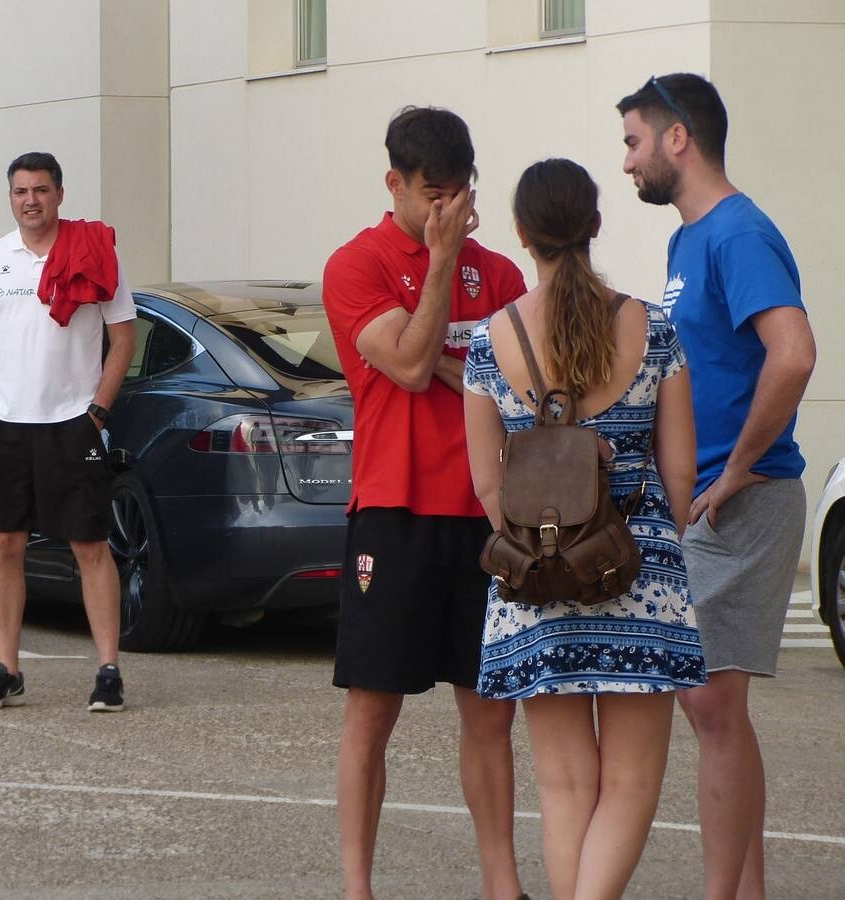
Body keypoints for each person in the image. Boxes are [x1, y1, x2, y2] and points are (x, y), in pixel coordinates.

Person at [463, 158, 707, 900]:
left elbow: (487, 484)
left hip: (535, 582)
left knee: (565, 788)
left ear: (522, 236)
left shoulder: (488, 340)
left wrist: (546, 548)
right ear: (596, 226)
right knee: (630, 785)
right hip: (640, 576)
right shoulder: (652, 328)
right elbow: (680, 476)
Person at [617, 74, 816, 899]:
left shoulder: (738, 234)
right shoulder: (686, 241)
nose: (625, 162)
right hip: (703, 496)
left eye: (632, 141)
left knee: (708, 704)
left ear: (677, 139)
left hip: (747, 496)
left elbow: (794, 354)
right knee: (715, 707)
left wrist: (734, 470)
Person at [323, 106, 529, 900]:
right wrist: (442, 278)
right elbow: (410, 367)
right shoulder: (357, 264)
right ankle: (357, 887)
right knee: (373, 709)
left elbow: (523, 387)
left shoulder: (503, 275)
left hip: (487, 515)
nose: (448, 211)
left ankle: (502, 885)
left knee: (489, 713)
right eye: (431, 194)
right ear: (395, 185)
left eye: (461, 194)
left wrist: (455, 358)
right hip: (393, 508)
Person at [0, 151, 136, 713]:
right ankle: (6, 668)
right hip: (5, 423)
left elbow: (124, 339)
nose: (29, 200)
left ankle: (108, 669)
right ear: (9, 197)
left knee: (89, 546)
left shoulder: (92, 252)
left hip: (70, 421)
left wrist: (99, 410)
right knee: (4, 544)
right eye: (19, 191)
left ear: (60, 193)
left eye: (39, 189)